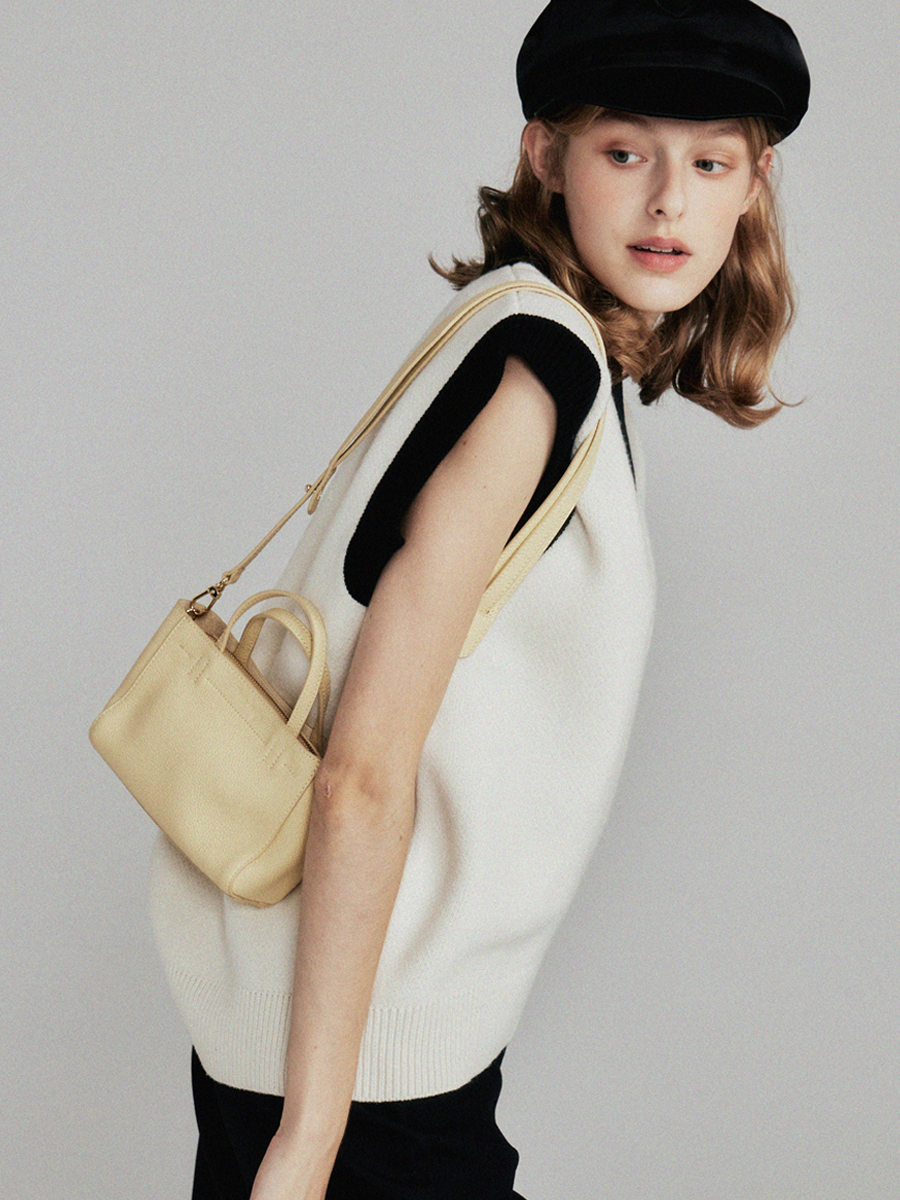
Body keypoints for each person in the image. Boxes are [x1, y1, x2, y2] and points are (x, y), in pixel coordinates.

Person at [148, 1, 810, 1196]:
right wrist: (311, 1137)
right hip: (361, 1079)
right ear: (544, 155)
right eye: (625, 151)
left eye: (709, 162)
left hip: (325, 1041)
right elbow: (362, 774)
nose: (668, 201)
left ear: (755, 184)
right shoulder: (533, 375)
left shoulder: (536, 340)